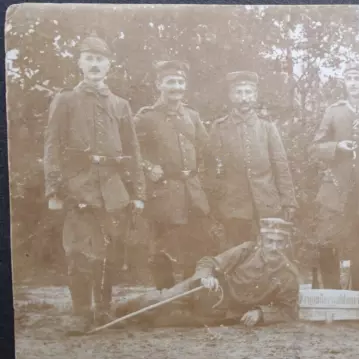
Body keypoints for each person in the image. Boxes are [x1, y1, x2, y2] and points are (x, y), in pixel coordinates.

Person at [43, 32, 146, 332]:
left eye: (100, 60)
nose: (95, 65)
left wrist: (138, 192)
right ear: (79, 63)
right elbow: (51, 146)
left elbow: (133, 151)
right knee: (79, 250)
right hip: (79, 186)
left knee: (112, 251)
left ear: (109, 65)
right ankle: (80, 312)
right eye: (89, 59)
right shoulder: (65, 99)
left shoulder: (120, 104)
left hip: (114, 189)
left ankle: (103, 309)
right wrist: (54, 188)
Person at [114, 218, 300, 327]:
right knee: (160, 301)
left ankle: (133, 320)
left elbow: (288, 310)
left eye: (279, 242)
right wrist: (206, 277)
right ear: (261, 240)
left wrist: (261, 313)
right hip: (205, 291)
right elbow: (208, 262)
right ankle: (117, 310)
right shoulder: (247, 251)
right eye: (270, 241)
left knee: (167, 322)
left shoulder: (288, 275)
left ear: (286, 244)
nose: (274, 247)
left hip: (222, 314)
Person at [309, 62, 359, 290]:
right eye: (349, 79)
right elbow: (315, 147)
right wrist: (337, 146)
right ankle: (332, 294)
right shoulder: (334, 111)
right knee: (327, 241)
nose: (353, 84)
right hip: (335, 190)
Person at [134, 60, 215, 290]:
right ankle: (164, 299)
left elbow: (207, 151)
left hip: (192, 193)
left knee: (194, 247)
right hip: (163, 193)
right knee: (160, 249)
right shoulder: (146, 117)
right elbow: (130, 151)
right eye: (171, 82)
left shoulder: (192, 116)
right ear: (159, 84)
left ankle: (188, 297)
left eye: (180, 82)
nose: (176, 87)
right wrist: (149, 168)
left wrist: (202, 179)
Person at [206, 71, 298, 248]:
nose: (244, 98)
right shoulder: (220, 127)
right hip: (234, 205)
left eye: (248, 93)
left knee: (271, 251)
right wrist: (217, 203)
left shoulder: (266, 126)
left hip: (267, 202)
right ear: (231, 96)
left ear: (255, 96)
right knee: (237, 252)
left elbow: (280, 165)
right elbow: (210, 169)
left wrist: (288, 200)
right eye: (239, 92)